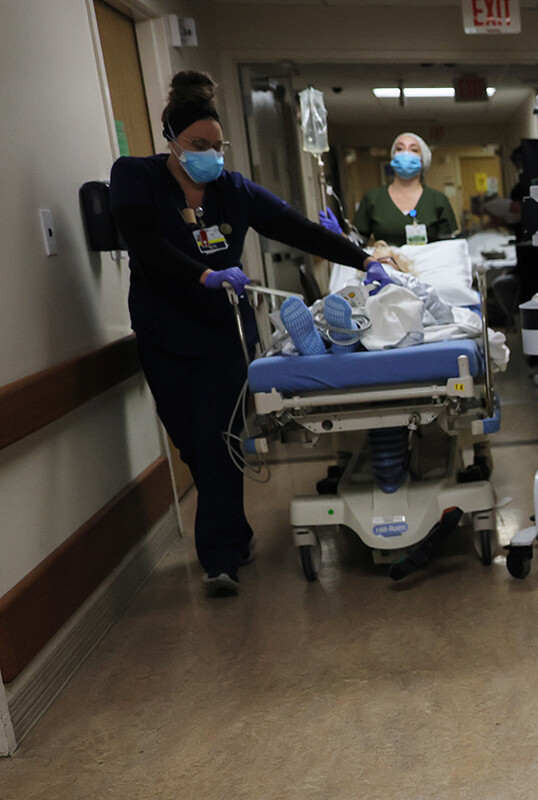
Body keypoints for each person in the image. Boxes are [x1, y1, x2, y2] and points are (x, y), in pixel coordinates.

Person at [110, 70, 393, 597]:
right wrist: (202, 274)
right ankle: (234, 534)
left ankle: (219, 560)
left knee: (216, 440)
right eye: (199, 145)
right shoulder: (134, 177)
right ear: (172, 140)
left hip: (222, 333)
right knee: (190, 444)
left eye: (218, 146)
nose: (211, 156)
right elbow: (142, 241)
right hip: (162, 330)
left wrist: (363, 259)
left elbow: (295, 228)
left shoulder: (233, 190)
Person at [352, 133, 457, 246]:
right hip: (386, 257)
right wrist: (340, 236)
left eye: (414, 150)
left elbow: (449, 247)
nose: (405, 153)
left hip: (429, 258)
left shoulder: (438, 200)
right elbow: (356, 243)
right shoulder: (373, 198)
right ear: (393, 157)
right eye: (399, 149)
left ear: (423, 160)